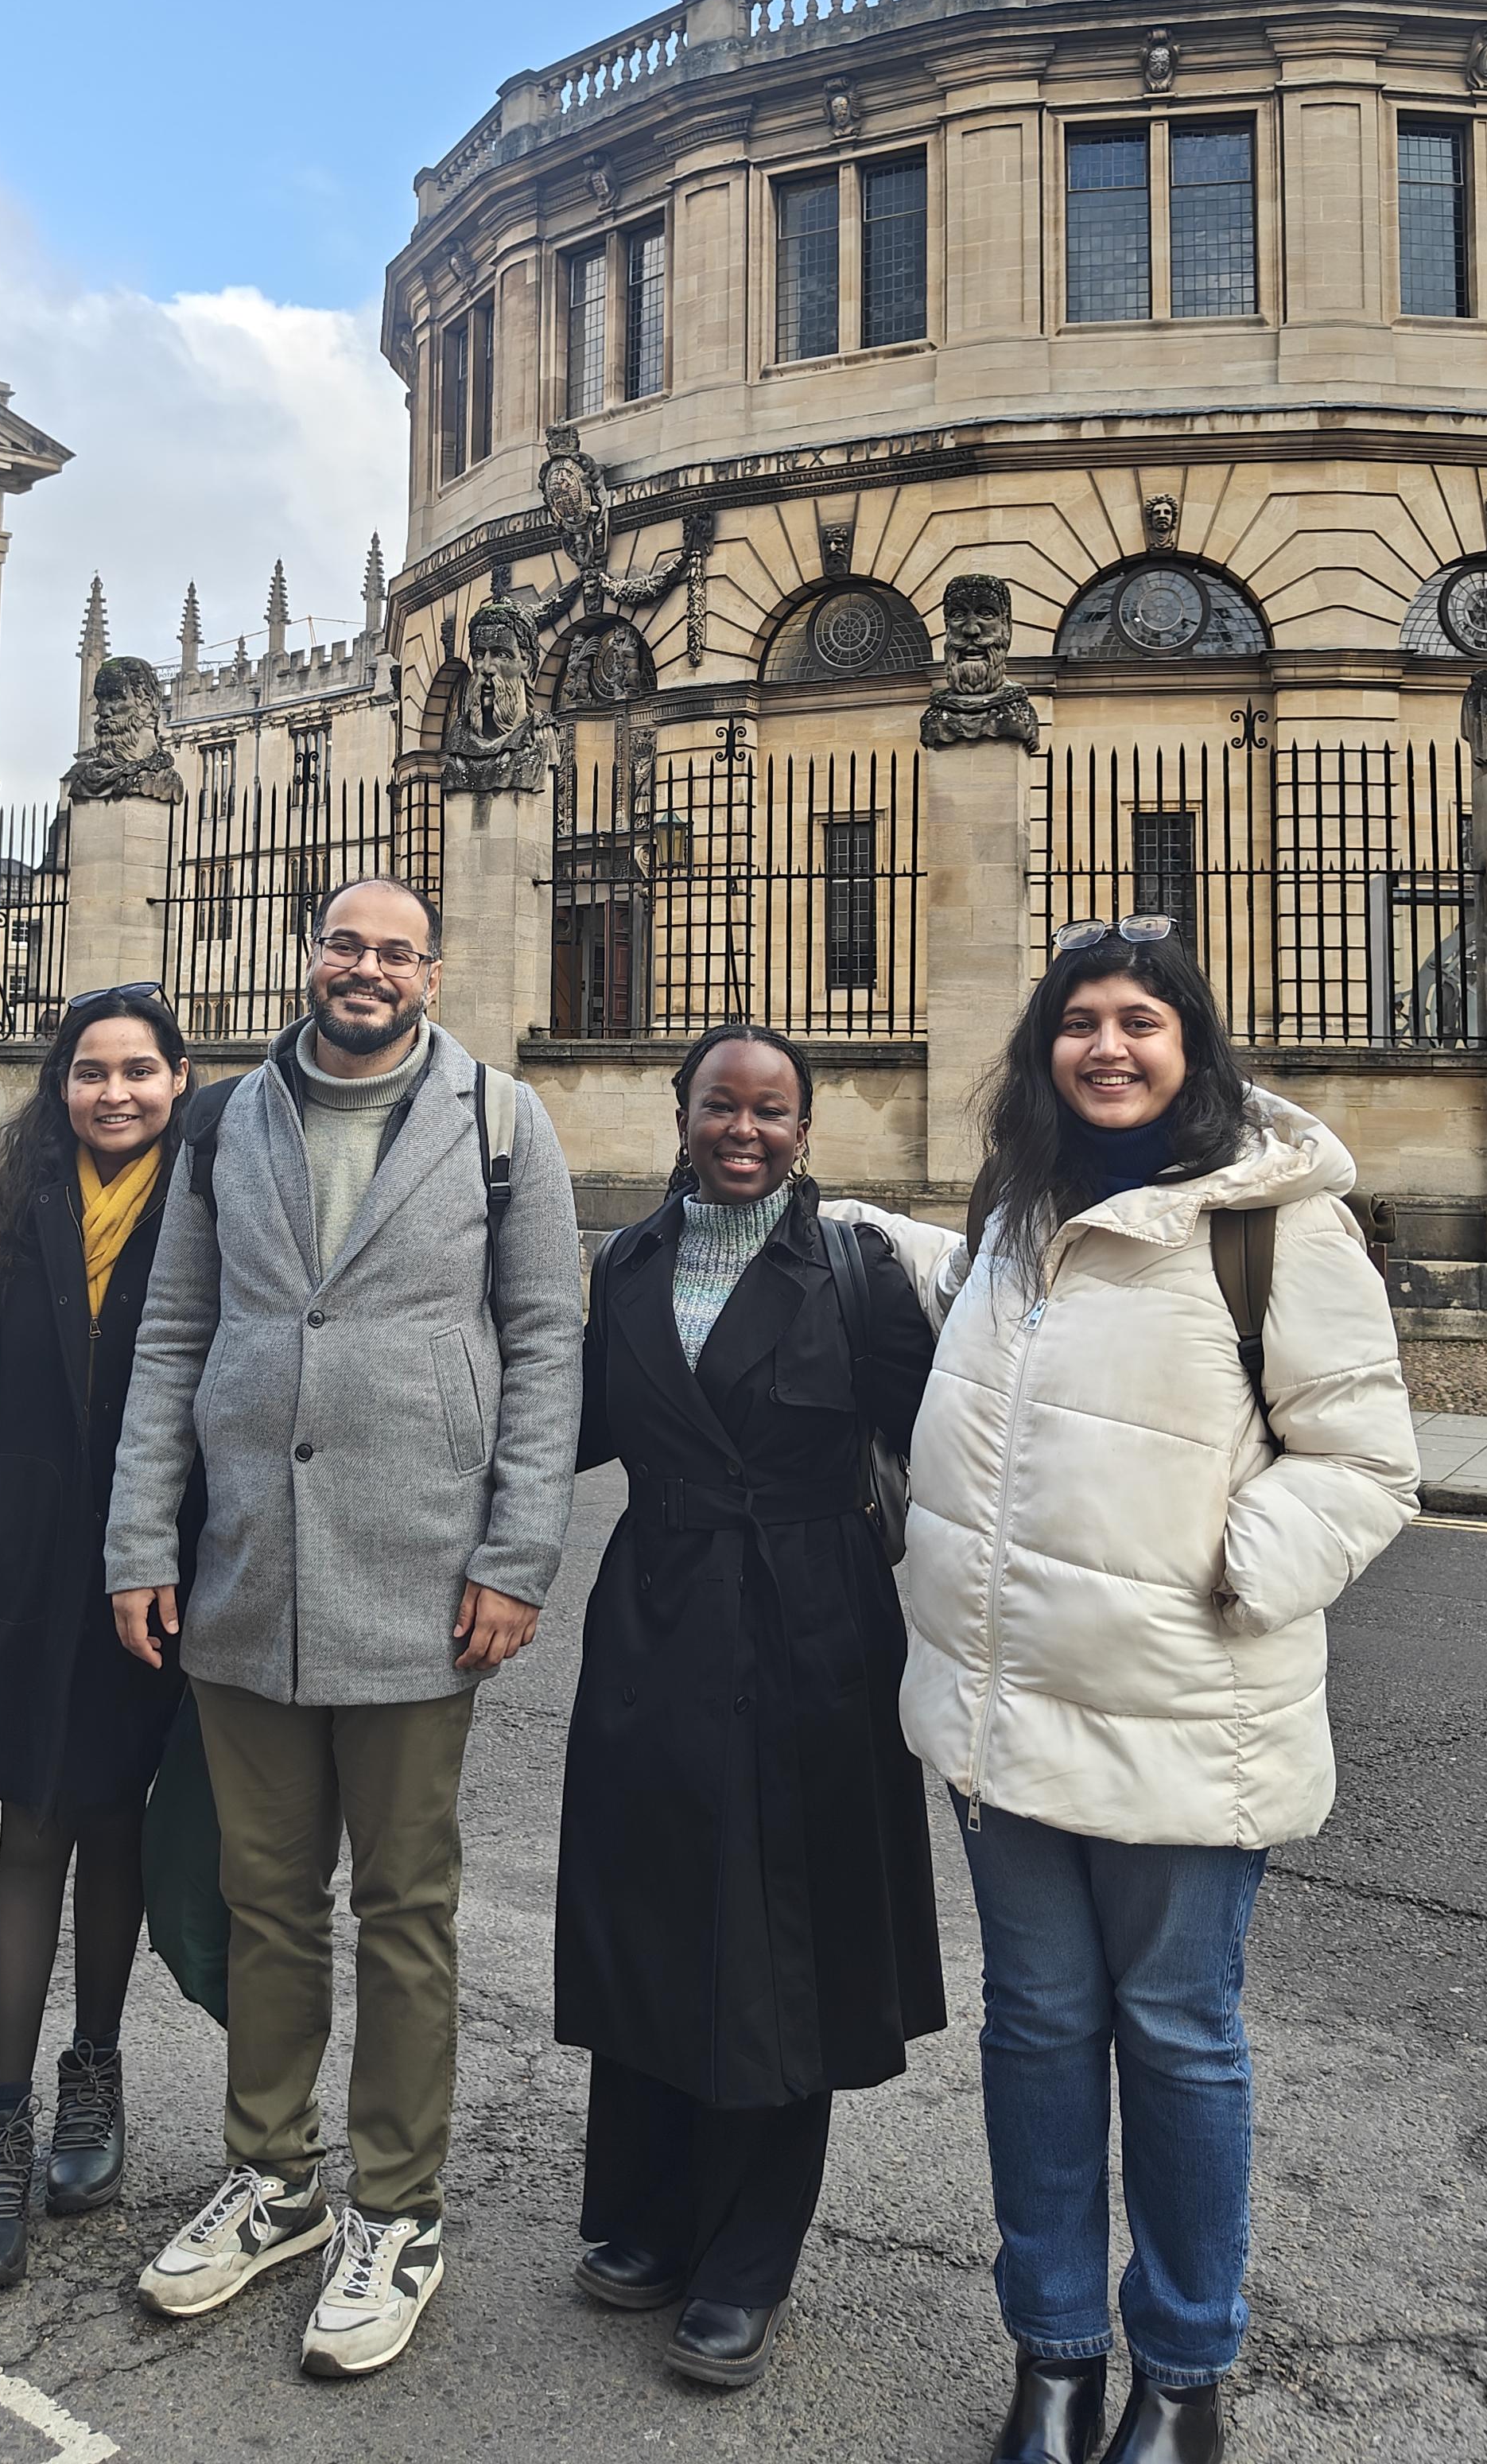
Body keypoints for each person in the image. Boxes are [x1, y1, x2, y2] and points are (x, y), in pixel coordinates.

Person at [833, 920, 1419, 2464]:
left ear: (1191, 1045)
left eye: (1140, 1020)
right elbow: (966, 1328)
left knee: (1173, 2032)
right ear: (1044, 1050)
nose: (1107, 1044)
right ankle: (1054, 2353)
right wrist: (799, 1219)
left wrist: (1235, 1569)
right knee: (1034, 2033)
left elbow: (1367, 1461)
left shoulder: (1274, 1222)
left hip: (1184, 1717)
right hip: (1005, 1716)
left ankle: (1180, 2371)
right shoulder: (1015, 1212)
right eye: (1079, 1020)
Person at [107, 874, 584, 2382]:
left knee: (404, 1908)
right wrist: (138, 1538)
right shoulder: (220, 1120)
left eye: (394, 950)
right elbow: (175, 1331)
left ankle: (395, 2204)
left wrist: (515, 1557)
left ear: (430, 976)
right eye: (344, 942)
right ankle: (272, 2180)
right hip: (245, 1567)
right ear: (310, 958)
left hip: (421, 1577)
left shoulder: (504, 1125)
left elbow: (545, 1345)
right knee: (263, 1900)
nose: (365, 968)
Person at [555, 1022, 944, 2396]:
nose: (743, 1130)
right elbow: (567, 1423)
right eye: (721, 1103)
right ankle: (645, 2220)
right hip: (654, 1622)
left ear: (804, 1127)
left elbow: (951, 1457)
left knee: (781, 1942)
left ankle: (742, 2264)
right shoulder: (627, 1261)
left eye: (771, 1111)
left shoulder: (855, 1274)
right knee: (651, 1913)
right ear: (680, 1111)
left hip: (811, 1629)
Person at [0, 983, 195, 2293]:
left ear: (180, 1082)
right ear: (57, 1081)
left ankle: (97, 2079)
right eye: (91, 1071)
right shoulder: (7, 1208)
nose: (115, 1093)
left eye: (139, 1070)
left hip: (153, 1582)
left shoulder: (207, 1211)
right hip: (26, 1574)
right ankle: (0, 2126)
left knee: (121, 1828)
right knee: (31, 1836)